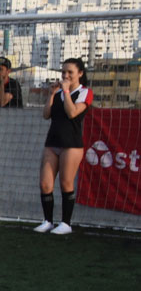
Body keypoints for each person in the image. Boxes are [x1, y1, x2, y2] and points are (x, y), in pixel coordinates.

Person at [34, 58, 93, 235]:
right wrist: (52, 94)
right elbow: (46, 115)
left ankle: (66, 223)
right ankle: (47, 221)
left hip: (71, 144)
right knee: (45, 183)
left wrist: (66, 91)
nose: (65, 76)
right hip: (52, 141)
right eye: (63, 72)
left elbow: (73, 112)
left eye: (70, 73)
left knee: (66, 183)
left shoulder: (85, 92)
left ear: (80, 74)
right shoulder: (59, 92)